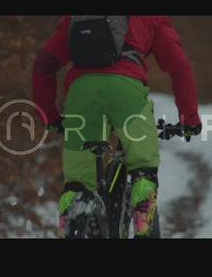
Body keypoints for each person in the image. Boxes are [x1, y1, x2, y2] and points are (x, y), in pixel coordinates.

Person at [32, 16, 202, 238]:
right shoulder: (152, 18)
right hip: (126, 93)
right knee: (143, 167)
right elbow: (178, 67)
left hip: (81, 97)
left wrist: (49, 115)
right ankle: (142, 201)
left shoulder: (77, 16)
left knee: (78, 181)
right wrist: (189, 118)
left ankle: (72, 211)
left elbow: (44, 63)